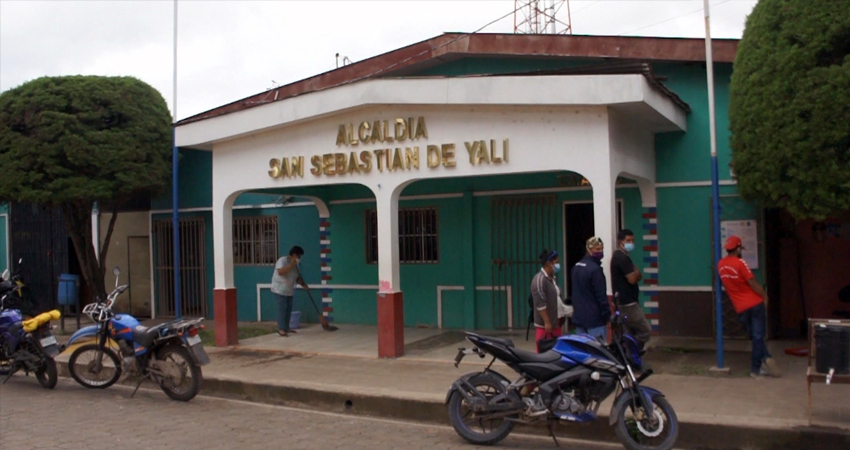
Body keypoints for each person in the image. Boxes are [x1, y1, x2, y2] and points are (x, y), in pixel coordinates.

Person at [717, 236, 781, 378]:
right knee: (758, 337)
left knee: (754, 337)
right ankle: (756, 368)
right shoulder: (740, 263)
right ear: (738, 249)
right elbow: (752, 282)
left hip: (740, 308)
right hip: (755, 304)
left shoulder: (720, 265)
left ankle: (766, 358)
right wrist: (765, 296)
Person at [611, 229, 652, 349]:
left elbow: (639, 275)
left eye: (633, 240)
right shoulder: (622, 258)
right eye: (628, 240)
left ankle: (629, 354)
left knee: (629, 332)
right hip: (628, 304)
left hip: (625, 302)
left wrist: (636, 273)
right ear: (620, 241)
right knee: (645, 330)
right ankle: (631, 349)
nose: (631, 243)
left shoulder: (624, 257)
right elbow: (633, 279)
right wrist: (635, 273)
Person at [571, 236, 611, 341]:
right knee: (597, 349)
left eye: (602, 249)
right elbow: (601, 296)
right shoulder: (595, 270)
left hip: (579, 318)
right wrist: (607, 316)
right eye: (597, 249)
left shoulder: (576, 267)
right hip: (595, 320)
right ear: (588, 249)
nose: (600, 252)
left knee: (582, 349)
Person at [272, 245, 308, 337]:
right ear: (294, 255)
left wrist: (303, 284)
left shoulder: (297, 266)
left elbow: (296, 278)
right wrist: (291, 265)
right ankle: (281, 329)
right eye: (299, 256)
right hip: (279, 289)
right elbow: (280, 272)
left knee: (288, 310)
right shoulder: (282, 261)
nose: (299, 258)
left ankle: (286, 327)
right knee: (282, 309)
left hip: (289, 290)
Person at [530, 249, 562, 352]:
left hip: (555, 324)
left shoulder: (551, 278)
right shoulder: (540, 279)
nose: (558, 265)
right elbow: (540, 303)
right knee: (544, 354)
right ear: (549, 263)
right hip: (546, 327)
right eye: (556, 262)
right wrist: (547, 322)